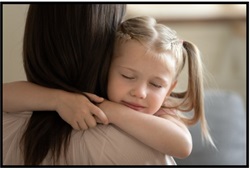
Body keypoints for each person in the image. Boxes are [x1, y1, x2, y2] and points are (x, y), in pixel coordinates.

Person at [3, 5, 180, 165]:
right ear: (107, 62)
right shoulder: (140, 154)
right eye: (127, 75)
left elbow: (183, 145)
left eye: (156, 85)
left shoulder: (161, 111)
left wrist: (110, 110)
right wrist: (58, 99)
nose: (141, 93)